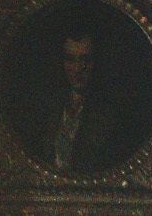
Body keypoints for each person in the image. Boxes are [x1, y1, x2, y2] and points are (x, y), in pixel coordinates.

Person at [36, 27, 124, 175]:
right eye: (70, 59)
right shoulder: (51, 105)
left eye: (85, 60)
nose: (78, 68)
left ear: (96, 62)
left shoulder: (109, 112)